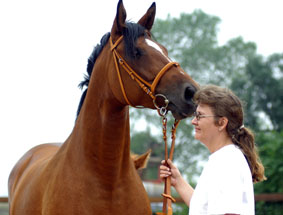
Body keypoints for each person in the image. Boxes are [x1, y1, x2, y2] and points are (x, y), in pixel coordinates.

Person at [159, 85, 266, 215]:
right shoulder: (223, 158)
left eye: (200, 116)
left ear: (221, 123)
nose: (193, 121)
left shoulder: (229, 161)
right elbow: (203, 209)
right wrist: (178, 181)